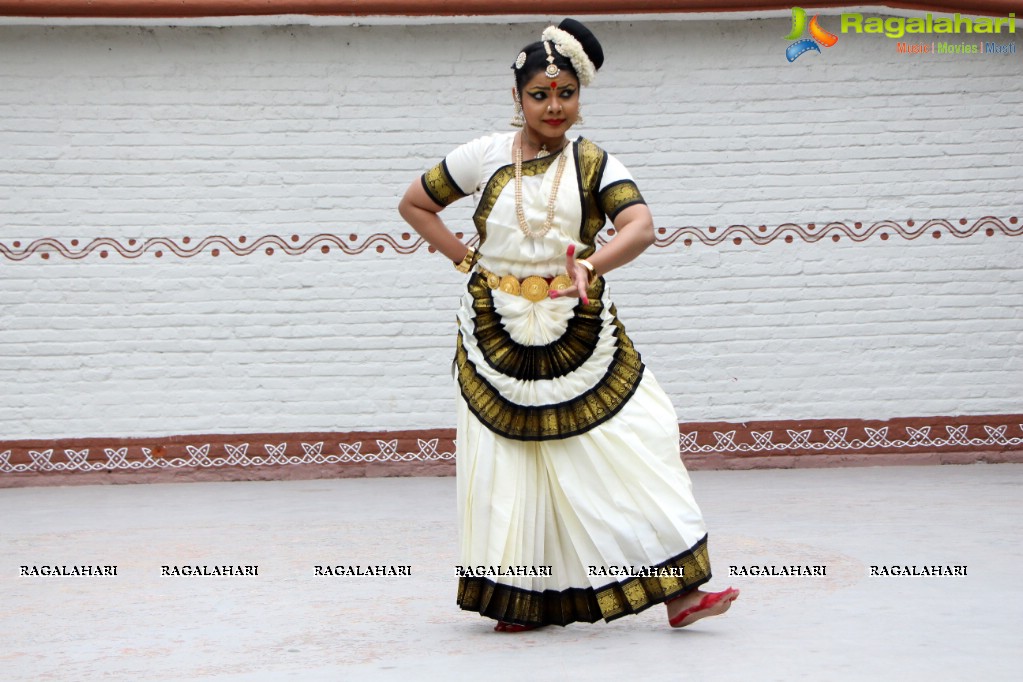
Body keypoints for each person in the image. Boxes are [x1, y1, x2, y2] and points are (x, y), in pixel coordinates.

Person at [398, 18, 738, 632]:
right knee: (509, 464)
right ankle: (520, 601)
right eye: (539, 94)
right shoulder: (483, 156)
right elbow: (415, 203)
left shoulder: (595, 163)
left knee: (632, 445)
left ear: (580, 96)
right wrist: (461, 257)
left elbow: (640, 227)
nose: (553, 106)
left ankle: (681, 591)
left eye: (565, 93)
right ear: (518, 98)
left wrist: (590, 263)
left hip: (575, 327)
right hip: (495, 330)